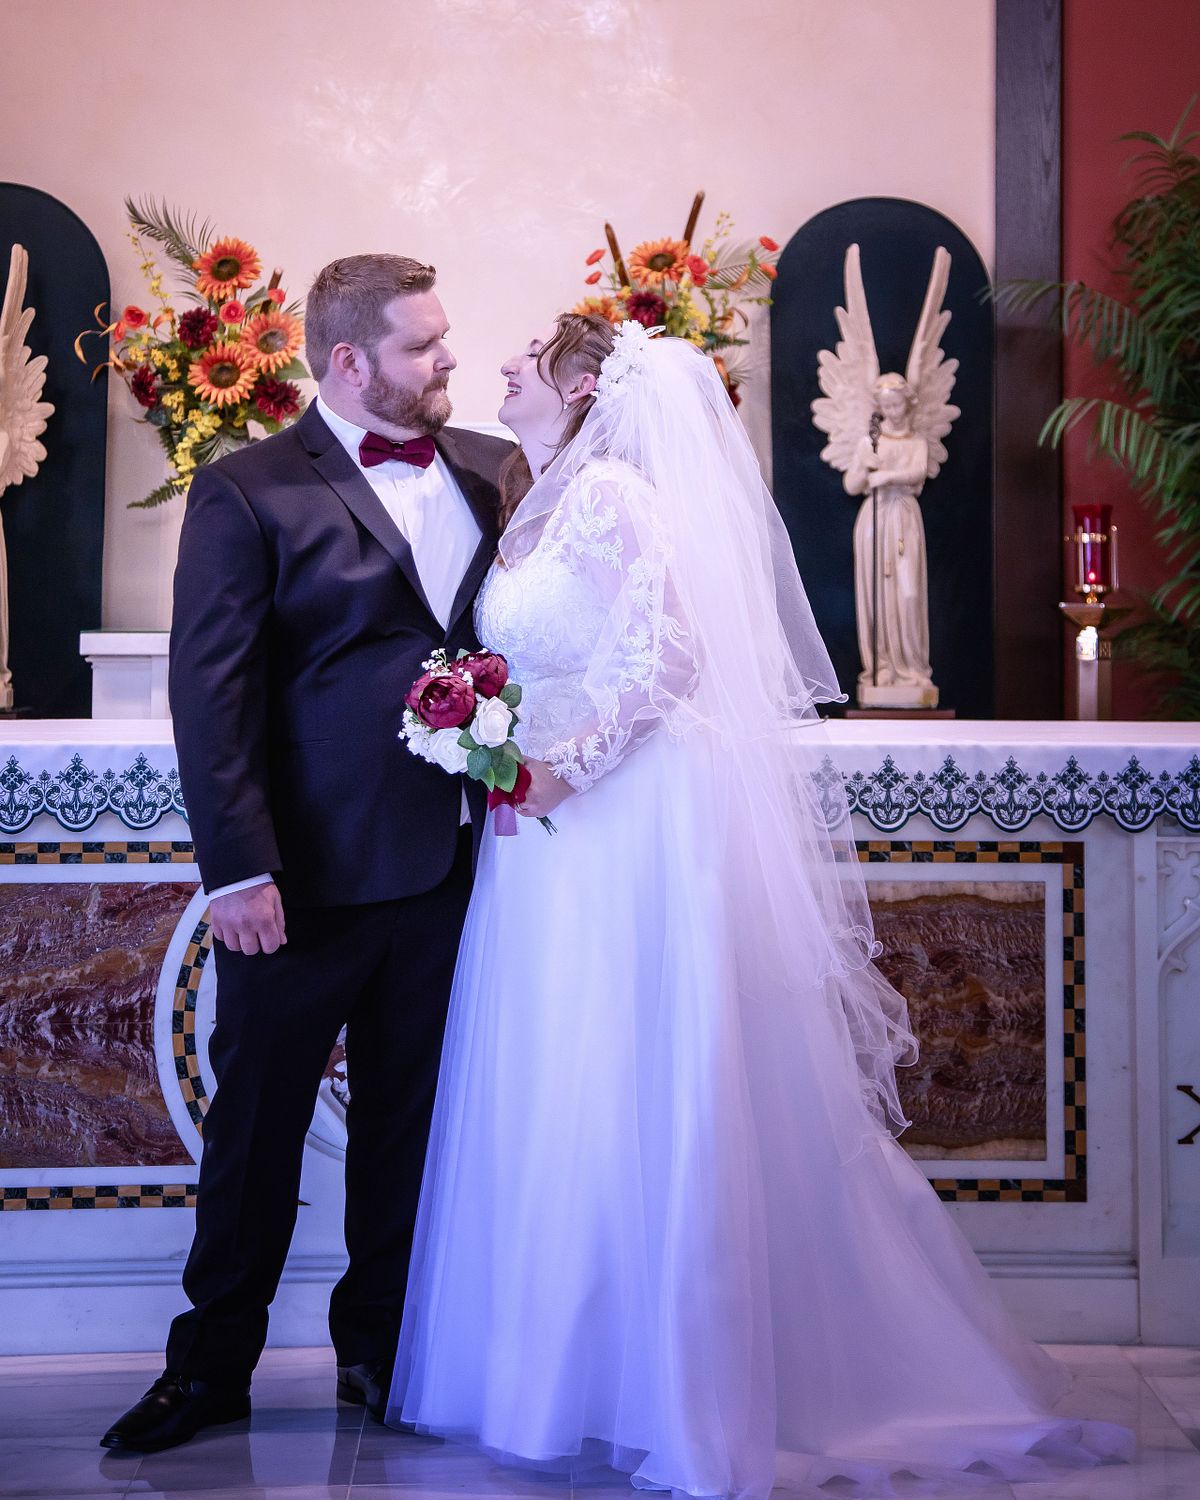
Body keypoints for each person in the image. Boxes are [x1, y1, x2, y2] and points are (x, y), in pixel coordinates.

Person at [387, 314, 1132, 1498]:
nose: (506, 359)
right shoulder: (531, 494)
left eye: (533, 348)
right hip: (549, 830)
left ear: (584, 386)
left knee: (645, 1077)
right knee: (566, 1076)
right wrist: (488, 733)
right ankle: (569, 1373)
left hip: (621, 817)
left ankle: (683, 1384)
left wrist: (558, 765)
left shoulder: (618, 497)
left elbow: (671, 653)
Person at [101, 254, 512, 1453]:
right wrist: (238, 869)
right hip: (298, 880)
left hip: (456, 866)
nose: (446, 362)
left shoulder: (496, 469)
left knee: (411, 1126)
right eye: (422, 347)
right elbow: (211, 695)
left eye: (444, 342)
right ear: (347, 364)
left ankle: (380, 1354)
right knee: (257, 1126)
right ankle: (210, 1366)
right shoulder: (247, 491)